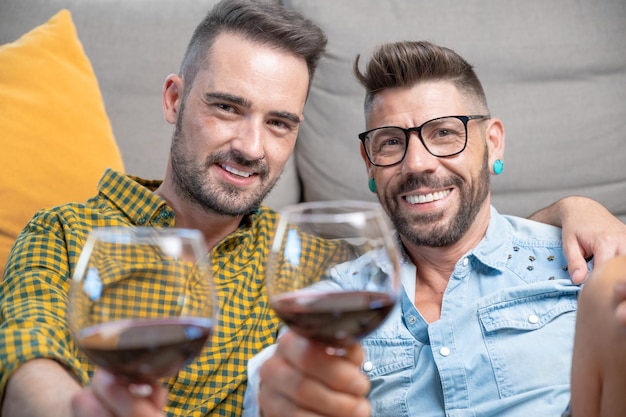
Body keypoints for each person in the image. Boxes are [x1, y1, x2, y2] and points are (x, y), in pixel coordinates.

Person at [0, 4, 623, 416]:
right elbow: (28, 368)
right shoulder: (63, 232)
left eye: (279, 122)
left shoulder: (306, 259)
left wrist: (577, 212)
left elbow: (454, 243)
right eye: (225, 107)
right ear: (174, 98)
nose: (250, 146)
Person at [244, 40, 626, 417]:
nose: (417, 164)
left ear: (492, 143)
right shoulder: (338, 300)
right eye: (391, 142)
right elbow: (279, 380)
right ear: (369, 164)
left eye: (443, 133)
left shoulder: (585, 261)